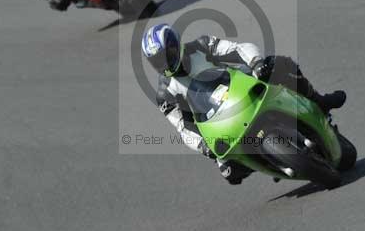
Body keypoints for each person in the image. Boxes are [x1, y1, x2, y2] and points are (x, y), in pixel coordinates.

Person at [141, 23, 346, 185]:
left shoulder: (201, 46)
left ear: (175, 45)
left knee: (280, 64)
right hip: (217, 121)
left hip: (242, 87)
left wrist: (257, 63)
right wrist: (203, 146)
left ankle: (319, 101)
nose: (164, 63)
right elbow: (181, 126)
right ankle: (275, 160)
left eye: (166, 55)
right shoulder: (165, 94)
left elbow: (238, 48)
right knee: (231, 173)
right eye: (157, 61)